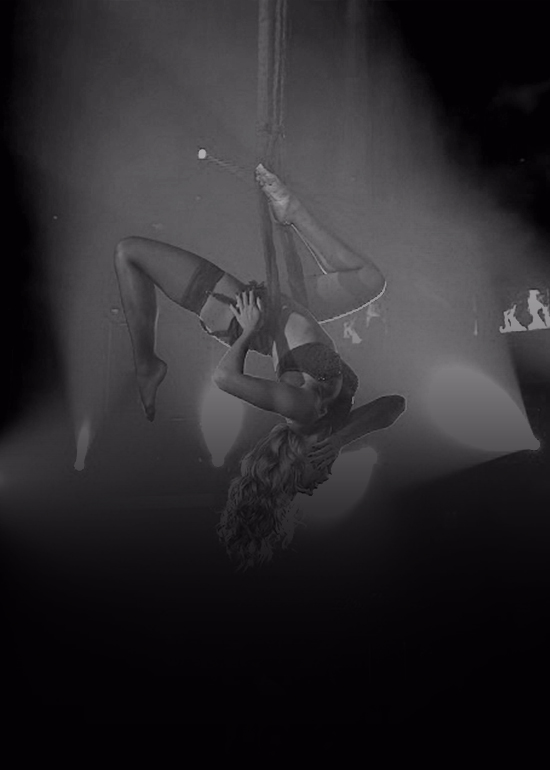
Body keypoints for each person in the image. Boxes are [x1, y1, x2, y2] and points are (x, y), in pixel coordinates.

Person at [114, 164, 405, 569]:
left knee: (129, 252)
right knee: (370, 280)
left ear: (296, 466)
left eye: (305, 485)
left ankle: (147, 365)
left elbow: (225, 378)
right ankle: (292, 211)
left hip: (243, 315)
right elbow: (394, 406)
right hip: (293, 306)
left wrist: (248, 330)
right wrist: (342, 439)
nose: (319, 483)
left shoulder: (302, 410)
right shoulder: (333, 427)